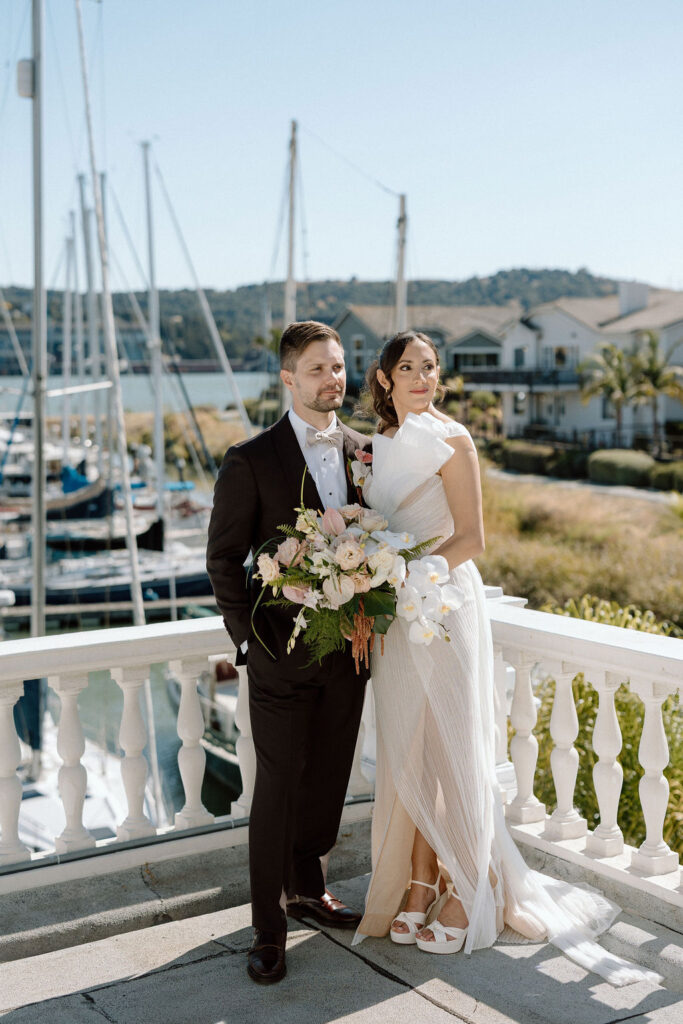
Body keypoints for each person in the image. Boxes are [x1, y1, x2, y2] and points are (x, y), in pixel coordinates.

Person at [353, 330, 661, 987]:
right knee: (408, 747)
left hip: (442, 605)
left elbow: (472, 537)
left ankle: (468, 887)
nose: (419, 377)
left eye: (428, 367)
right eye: (405, 367)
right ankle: (415, 882)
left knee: (452, 743)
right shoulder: (375, 447)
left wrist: (412, 576)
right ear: (382, 379)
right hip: (394, 620)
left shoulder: (452, 438)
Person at [206, 320, 371, 985]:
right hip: (279, 653)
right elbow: (221, 561)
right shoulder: (251, 459)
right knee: (275, 790)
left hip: (349, 653)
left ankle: (308, 889)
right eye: (316, 370)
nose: (331, 379)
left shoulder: (366, 450)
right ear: (287, 378)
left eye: (337, 368)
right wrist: (249, 641)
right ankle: (267, 930)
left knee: (328, 777)